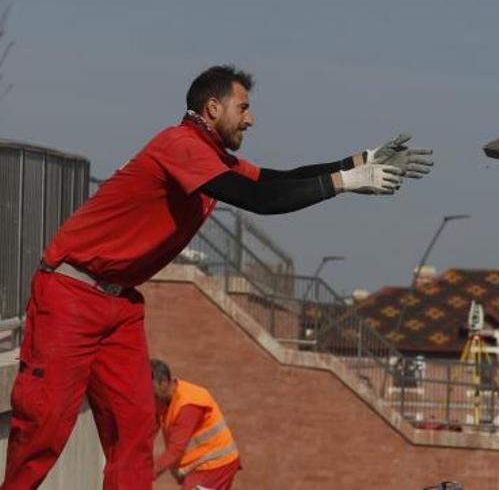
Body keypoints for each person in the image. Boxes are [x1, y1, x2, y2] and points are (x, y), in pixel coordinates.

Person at [1, 65, 433, 490]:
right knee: (45, 424)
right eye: (243, 108)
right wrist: (345, 182)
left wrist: (358, 163)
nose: (251, 119)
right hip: (72, 292)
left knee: (134, 429)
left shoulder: (211, 158)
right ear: (212, 107)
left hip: (119, 304)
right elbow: (260, 199)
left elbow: (271, 180)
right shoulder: (180, 146)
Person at [151, 359, 240, 489]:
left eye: (150, 388)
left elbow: (175, 450)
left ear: (163, 382)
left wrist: (148, 474)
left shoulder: (188, 405)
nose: (146, 394)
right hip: (202, 467)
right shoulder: (160, 399)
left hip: (215, 465)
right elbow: (150, 427)